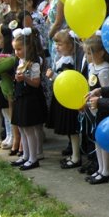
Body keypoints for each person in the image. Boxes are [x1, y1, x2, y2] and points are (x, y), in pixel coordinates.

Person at [10, 28, 47, 170]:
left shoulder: (34, 63)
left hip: (30, 98)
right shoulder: (20, 61)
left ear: (28, 47)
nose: (17, 52)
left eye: (19, 49)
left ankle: (33, 158)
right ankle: (25, 155)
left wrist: (24, 77)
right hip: (20, 97)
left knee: (29, 129)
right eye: (15, 49)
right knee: (21, 128)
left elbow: (36, 82)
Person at [46, 30, 81, 169]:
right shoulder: (62, 59)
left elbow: (66, 79)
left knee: (72, 129)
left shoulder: (69, 61)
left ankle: (76, 156)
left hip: (68, 97)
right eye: (56, 44)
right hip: (62, 96)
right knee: (69, 130)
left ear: (71, 46)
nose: (57, 47)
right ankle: (73, 153)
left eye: (60, 44)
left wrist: (53, 76)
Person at [83, 35, 109, 184]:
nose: (87, 56)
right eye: (86, 53)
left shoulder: (104, 69)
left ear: (100, 53)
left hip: (102, 109)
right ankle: (100, 169)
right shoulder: (91, 66)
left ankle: (106, 170)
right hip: (93, 107)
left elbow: (105, 90)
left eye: (90, 53)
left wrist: (99, 102)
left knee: (102, 139)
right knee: (96, 139)